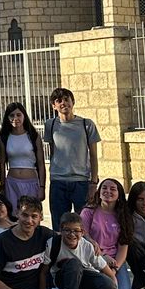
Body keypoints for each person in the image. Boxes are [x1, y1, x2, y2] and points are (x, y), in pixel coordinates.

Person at [45, 212, 128, 289]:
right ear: (60, 230)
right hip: (63, 279)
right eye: (67, 230)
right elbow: (43, 272)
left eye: (76, 231)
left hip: (84, 278)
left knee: (109, 285)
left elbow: (111, 275)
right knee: (74, 264)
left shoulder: (88, 247)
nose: (72, 234)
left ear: (83, 232)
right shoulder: (52, 244)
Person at [44, 87, 101, 228]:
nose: (63, 103)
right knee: (58, 225)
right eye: (59, 101)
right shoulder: (50, 125)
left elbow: (93, 155)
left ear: (73, 102)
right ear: (54, 106)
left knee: (84, 225)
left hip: (81, 182)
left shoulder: (86, 124)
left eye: (66, 99)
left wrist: (93, 183)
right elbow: (53, 152)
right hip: (58, 181)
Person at [82, 177, 134, 289]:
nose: (108, 191)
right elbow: (83, 238)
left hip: (113, 261)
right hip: (93, 258)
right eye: (104, 188)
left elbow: (123, 249)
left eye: (112, 189)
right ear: (99, 192)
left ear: (119, 194)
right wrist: (103, 256)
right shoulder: (88, 212)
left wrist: (114, 269)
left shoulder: (123, 216)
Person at [0, 102, 46, 210]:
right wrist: (2, 186)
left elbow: (41, 163)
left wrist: (42, 187)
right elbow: (1, 164)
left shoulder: (33, 136)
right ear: (7, 118)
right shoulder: (4, 137)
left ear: (24, 116)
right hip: (12, 184)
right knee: (13, 218)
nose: (15, 118)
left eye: (18, 115)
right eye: (11, 115)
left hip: (31, 184)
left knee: (31, 217)